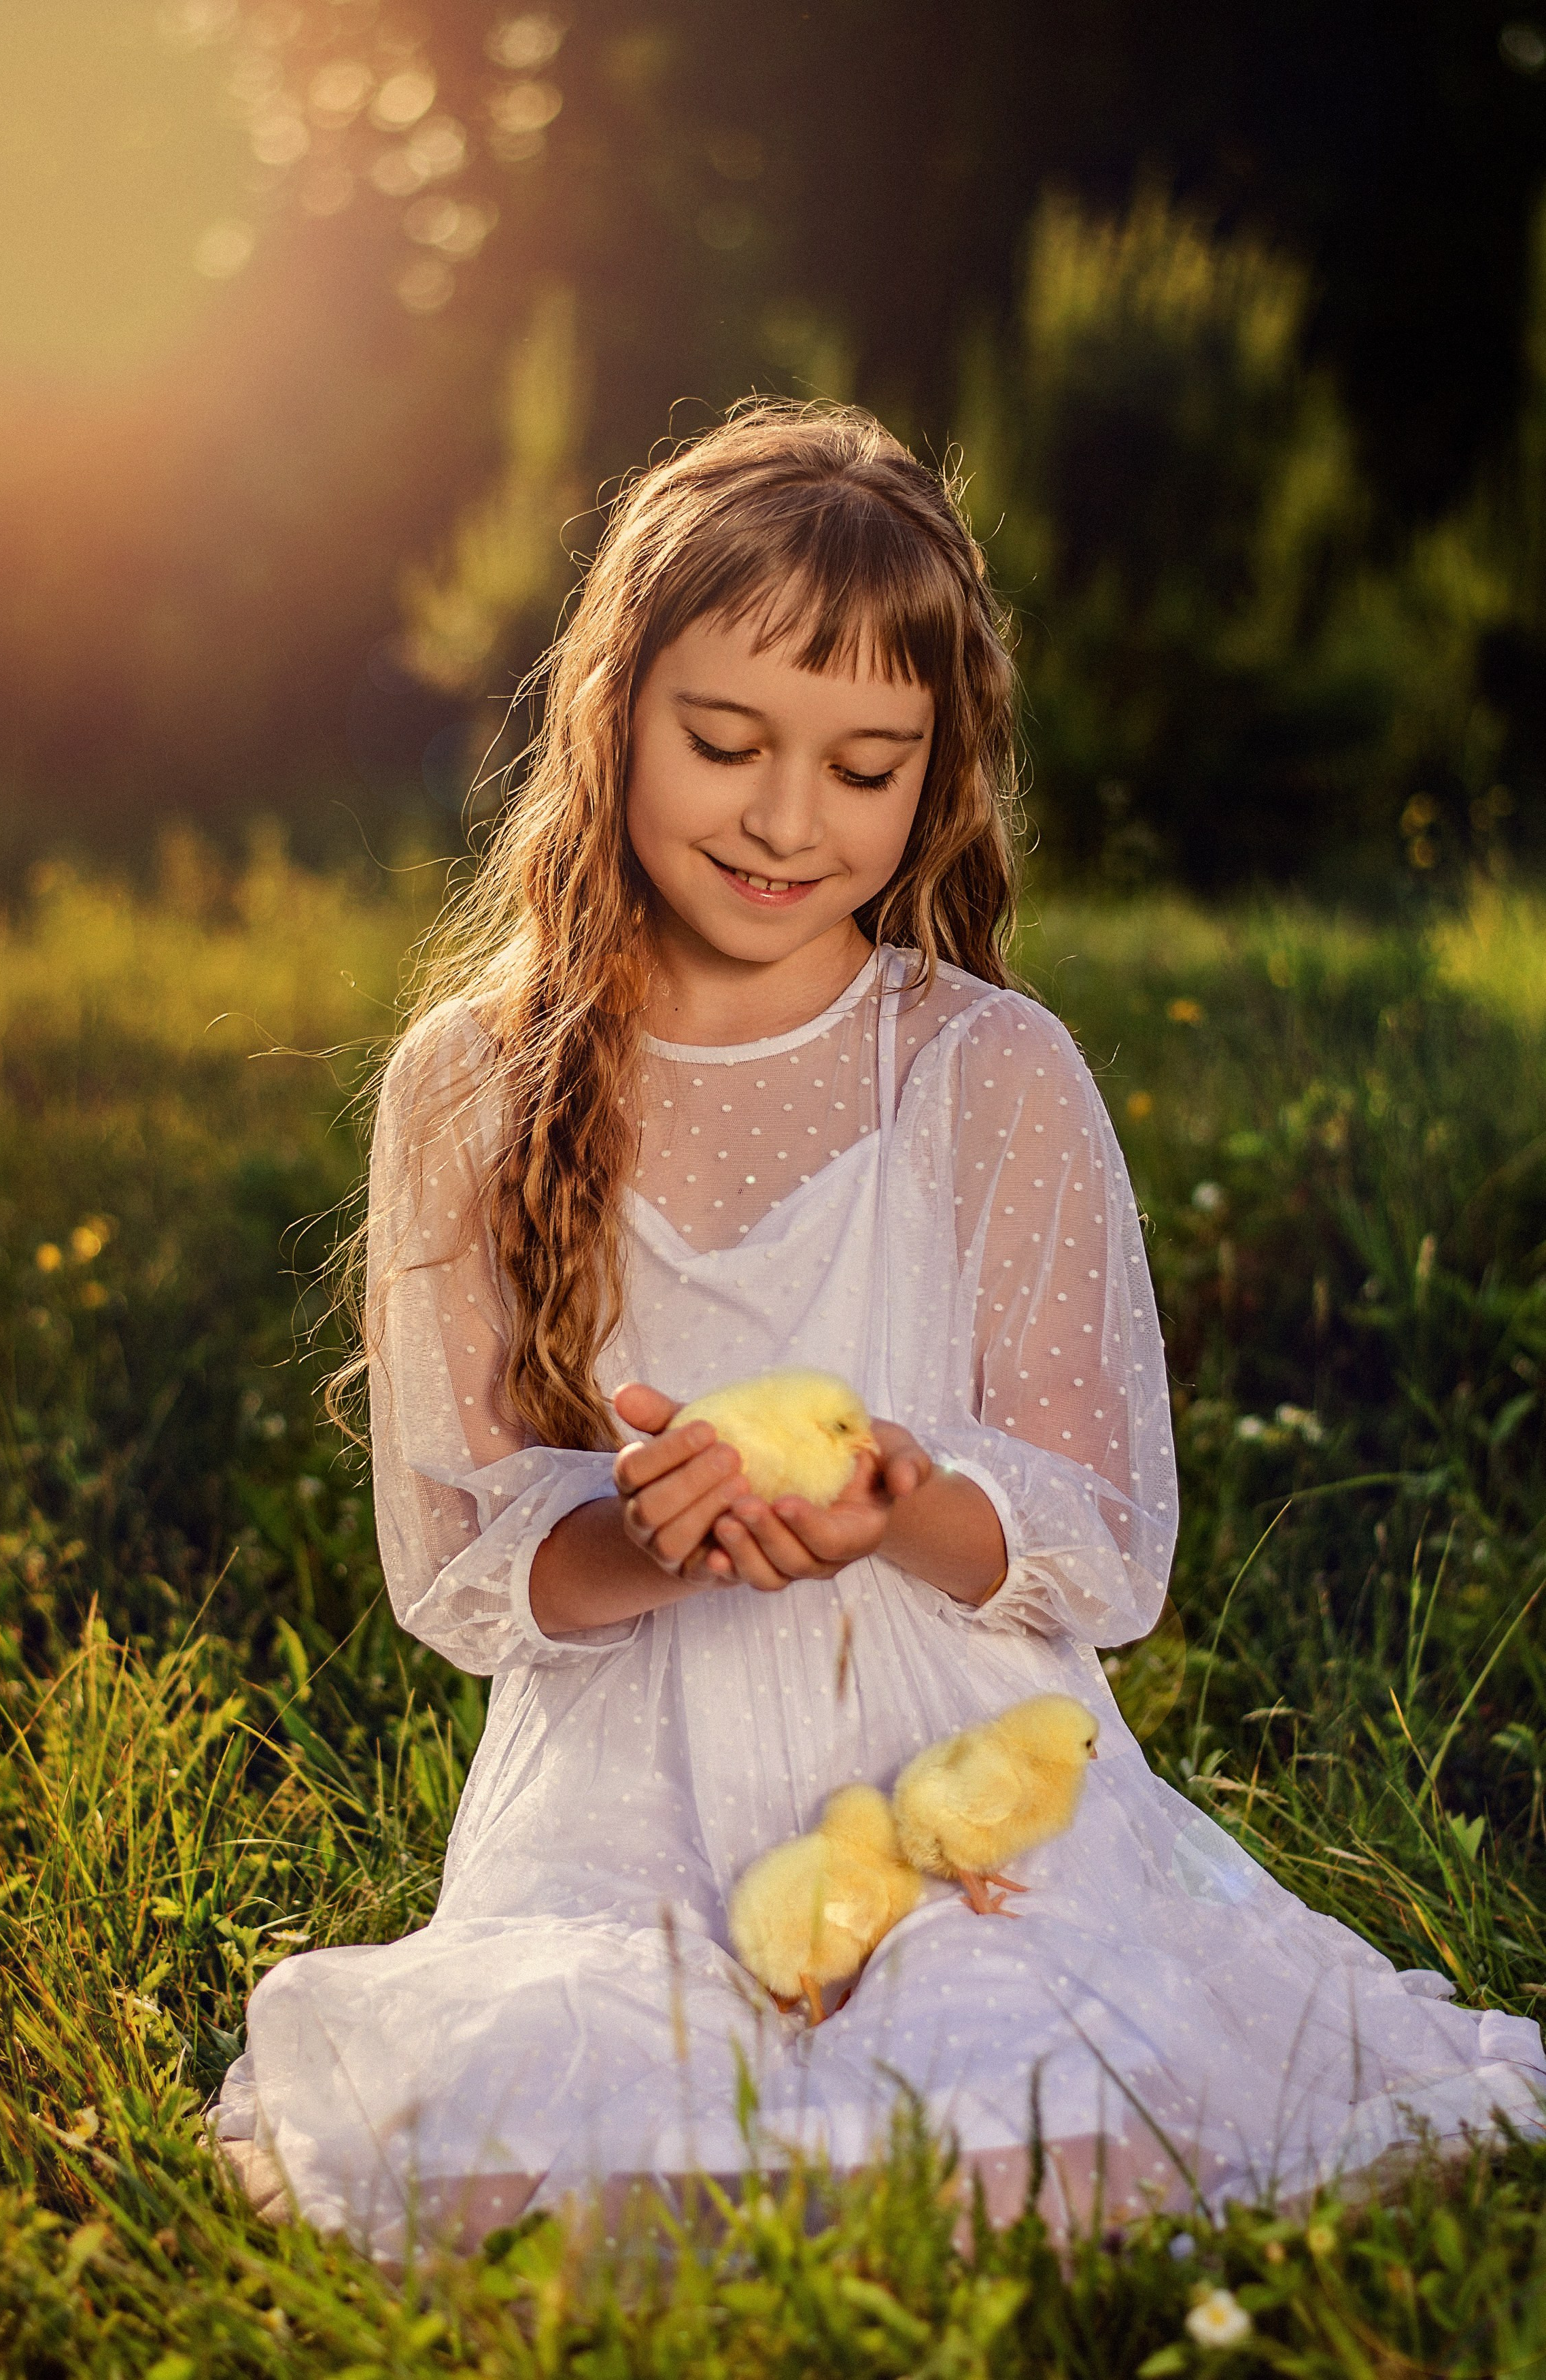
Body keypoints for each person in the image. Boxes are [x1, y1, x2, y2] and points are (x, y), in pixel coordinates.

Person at [213, 402, 1543, 2258]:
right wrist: (649, 1534)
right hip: (628, 1809)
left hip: (953, 1787)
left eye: (864, 767)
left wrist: (901, 1504)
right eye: (726, 742)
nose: (785, 819)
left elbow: (1103, 1537)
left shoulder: (986, 1070)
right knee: (528, 2167)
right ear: (612, 713)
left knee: (1035, 2147)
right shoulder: (472, 1083)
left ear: (942, 772)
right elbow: (460, 1563)